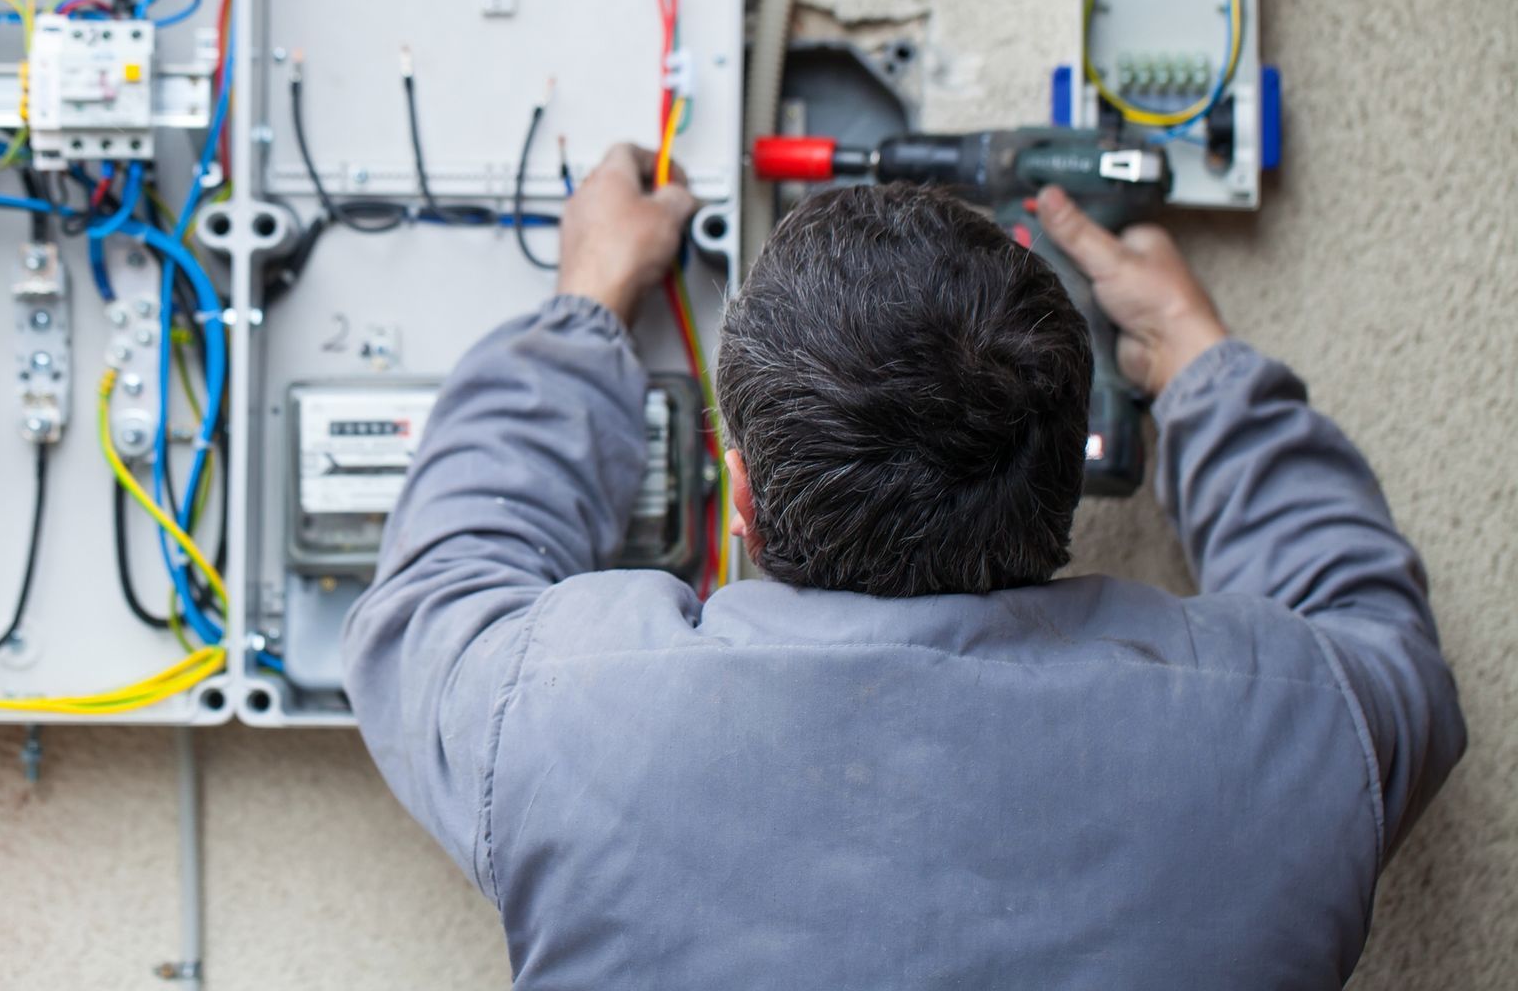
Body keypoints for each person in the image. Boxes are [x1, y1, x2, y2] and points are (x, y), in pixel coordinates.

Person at [342, 143, 1466, 988]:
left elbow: (437, 589)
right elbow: (1373, 623)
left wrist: (584, 307)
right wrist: (1206, 368)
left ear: (740, 499)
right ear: (1070, 480)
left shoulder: (551, 718)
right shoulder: (1304, 739)